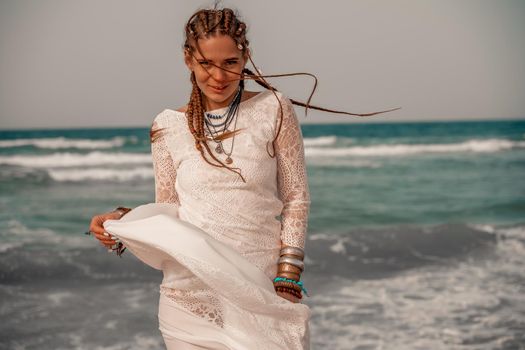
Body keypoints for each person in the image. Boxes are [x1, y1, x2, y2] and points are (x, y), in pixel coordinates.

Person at [88, 6, 398, 350]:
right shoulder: (166, 126)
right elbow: (170, 211)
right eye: (206, 63)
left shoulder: (274, 108)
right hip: (189, 296)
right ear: (188, 59)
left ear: (245, 57)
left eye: (230, 63)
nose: (218, 76)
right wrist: (122, 222)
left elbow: (296, 198)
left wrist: (288, 276)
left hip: (260, 289)